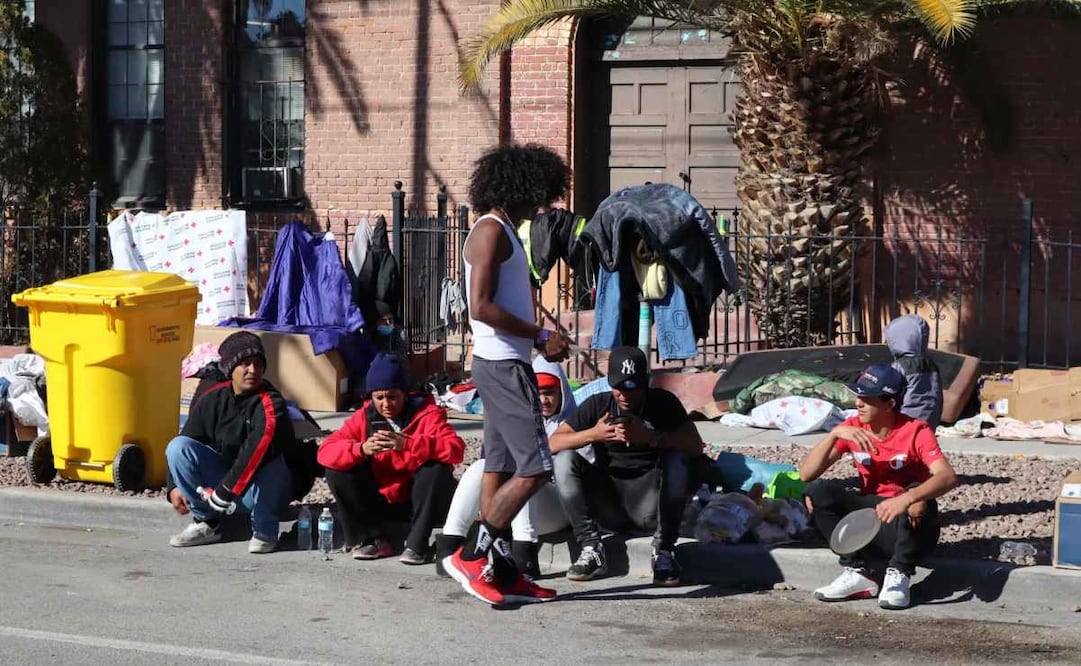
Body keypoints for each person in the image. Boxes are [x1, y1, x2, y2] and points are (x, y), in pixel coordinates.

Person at [442, 143, 571, 607]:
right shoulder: (490, 232)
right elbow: (480, 306)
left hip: (504, 362)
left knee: (500, 465)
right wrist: (539, 336)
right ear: (522, 186)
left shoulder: (505, 231)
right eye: (541, 193)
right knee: (536, 467)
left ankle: (501, 568)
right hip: (501, 365)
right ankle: (473, 557)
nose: (544, 204)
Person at [799, 364, 959, 610]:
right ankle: (859, 572)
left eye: (867, 398)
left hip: (909, 527)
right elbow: (806, 473)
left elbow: (947, 476)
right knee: (816, 492)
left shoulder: (916, 430)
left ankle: (900, 573)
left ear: (889, 404)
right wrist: (834, 434)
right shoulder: (853, 427)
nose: (858, 403)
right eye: (858, 396)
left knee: (918, 496)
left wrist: (907, 498)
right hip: (869, 525)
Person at [548, 347, 704, 587]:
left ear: (645, 384)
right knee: (564, 459)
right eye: (618, 387)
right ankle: (591, 547)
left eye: (632, 387)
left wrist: (651, 437)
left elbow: (695, 445)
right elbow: (554, 442)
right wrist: (594, 434)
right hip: (610, 502)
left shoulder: (663, 403)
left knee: (677, 459)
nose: (624, 395)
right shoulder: (598, 404)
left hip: (650, 503)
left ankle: (663, 550)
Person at [438, 356, 578, 578]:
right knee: (479, 467)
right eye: (537, 392)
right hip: (512, 509)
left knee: (526, 471)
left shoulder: (576, 419)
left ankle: (525, 560)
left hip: (559, 506)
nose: (543, 400)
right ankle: (450, 547)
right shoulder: (515, 421)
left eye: (550, 392)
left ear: (562, 391)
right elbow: (492, 469)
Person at [318, 353, 463, 564]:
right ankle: (372, 539)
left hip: (419, 501)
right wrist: (361, 449)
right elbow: (325, 452)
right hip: (381, 500)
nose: (386, 404)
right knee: (337, 469)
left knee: (435, 468)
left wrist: (409, 444)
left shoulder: (428, 414)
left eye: (393, 396)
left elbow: (455, 450)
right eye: (379, 398)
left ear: (405, 394)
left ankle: (417, 545)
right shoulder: (363, 418)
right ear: (371, 398)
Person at [165, 331, 296, 554]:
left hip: (262, 491)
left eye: (257, 364)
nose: (253, 370)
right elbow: (186, 438)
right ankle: (207, 523)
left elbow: (257, 449)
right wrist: (173, 487)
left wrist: (225, 490)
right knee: (178, 448)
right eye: (245, 364)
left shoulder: (271, 402)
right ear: (230, 368)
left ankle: (265, 530)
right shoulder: (213, 398)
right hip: (225, 492)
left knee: (270, 457)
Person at [885, 314, 943, 429]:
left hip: (905, 421)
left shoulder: (900, 366)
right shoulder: (931, 364)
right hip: (930, 419)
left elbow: (892, 395)